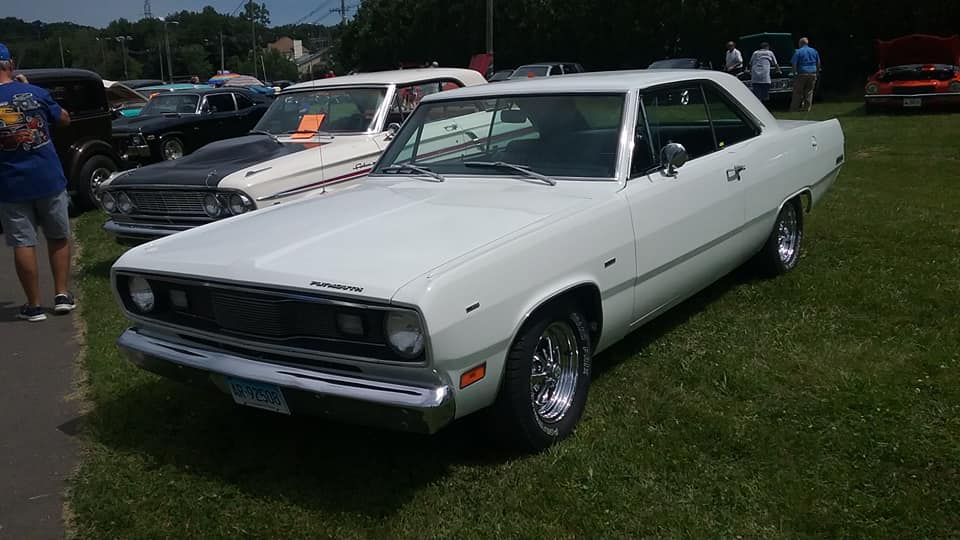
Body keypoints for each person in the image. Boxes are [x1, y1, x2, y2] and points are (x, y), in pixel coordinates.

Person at [0, 43, 75, 322]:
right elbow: (64, 119)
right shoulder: (35, 94)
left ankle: (33, 306)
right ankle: (62, 295)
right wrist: (30, 89)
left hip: (9, 182)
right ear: (10, 65)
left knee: (23, 242)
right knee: (57, 236)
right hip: (47, 177)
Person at [790, 37, 821, 112]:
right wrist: (817, 72)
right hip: (812, 73)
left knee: (798, 92)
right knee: (809, 92)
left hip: (802, 73)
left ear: (800, 43)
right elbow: (818, 62)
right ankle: (806, 108)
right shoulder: (814, 51)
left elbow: (794, 63)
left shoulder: (798, 51)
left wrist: (794, 73)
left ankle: (794, 108)